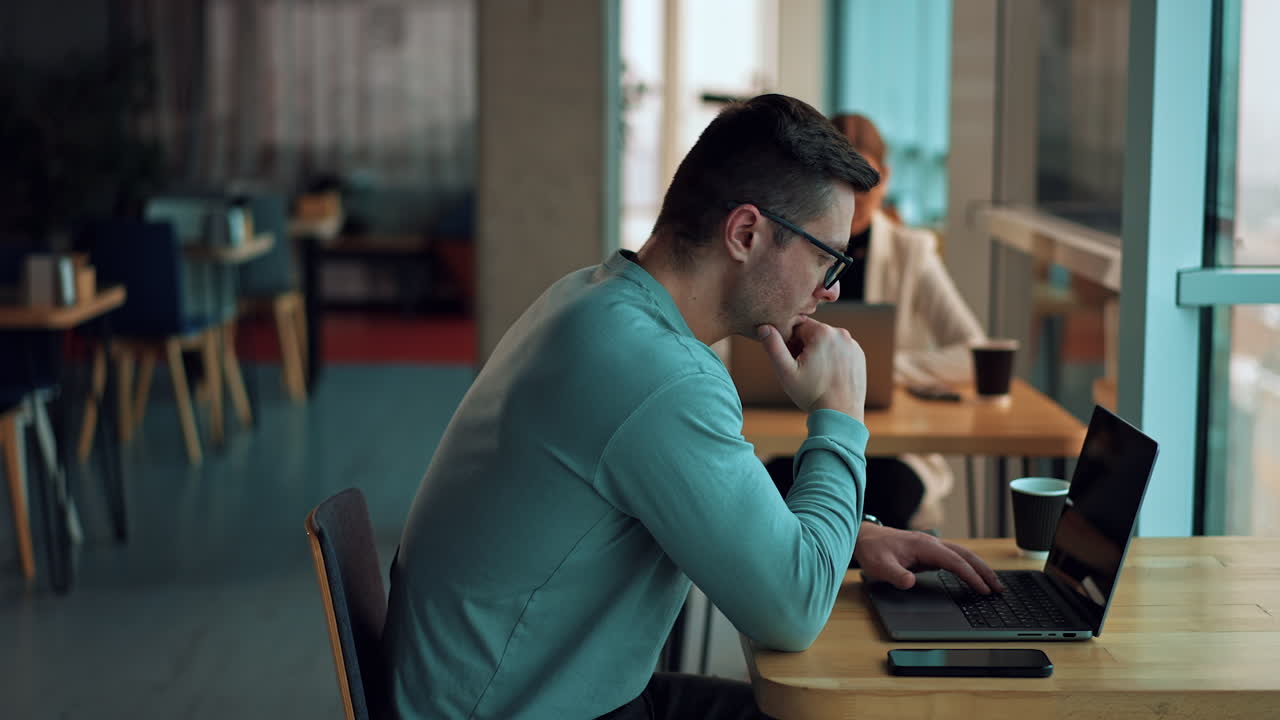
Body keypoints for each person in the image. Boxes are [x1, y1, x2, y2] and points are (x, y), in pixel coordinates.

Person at [383, 94, 1003, 720]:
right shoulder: (665, 376)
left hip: (517, 690)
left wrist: (850, 537)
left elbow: (700, 497)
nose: (831, 288)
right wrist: (839, 417)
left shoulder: (590, 297)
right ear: (745, 233)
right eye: (826, 257)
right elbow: (793, 613)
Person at [766, 114, 987, 531]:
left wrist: (881, 369)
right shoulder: (788, 246)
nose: (852, 192)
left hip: (893, 451)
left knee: (879, 498)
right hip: (797, 435)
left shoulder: (911, 251)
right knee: (773, 502)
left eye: (863, 178)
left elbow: (973, 352)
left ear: (884, 176)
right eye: (836, 179)